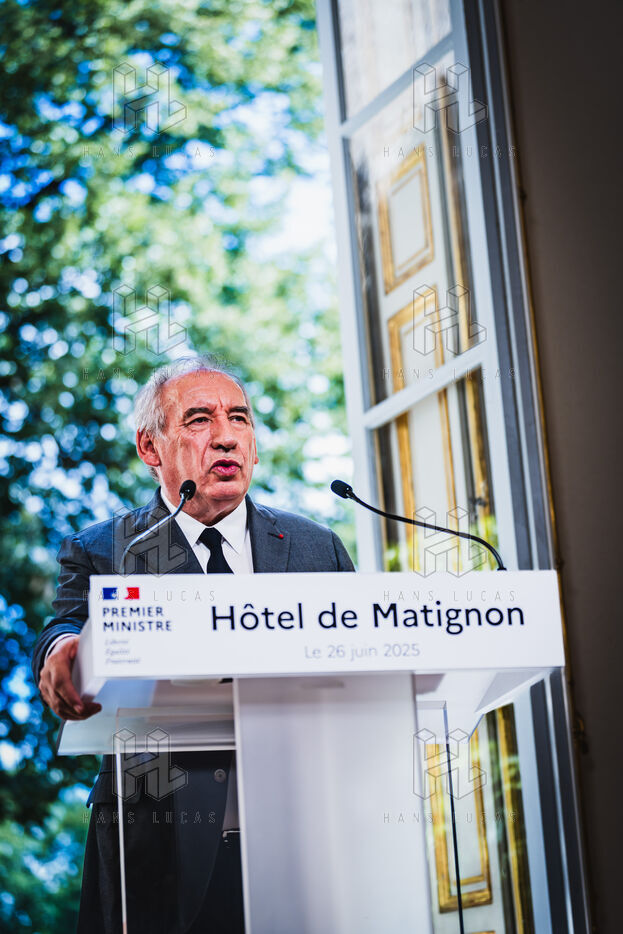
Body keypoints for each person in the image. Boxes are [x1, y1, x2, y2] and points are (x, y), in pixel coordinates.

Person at [31, 357, 355, 934]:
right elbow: (66, 629)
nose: (226, 436)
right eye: (200, 419)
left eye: (239, 418)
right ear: (150, 448)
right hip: (158, 848)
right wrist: (62, 651)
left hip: (302, 841)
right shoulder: (108, 549)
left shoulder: (315, 548)